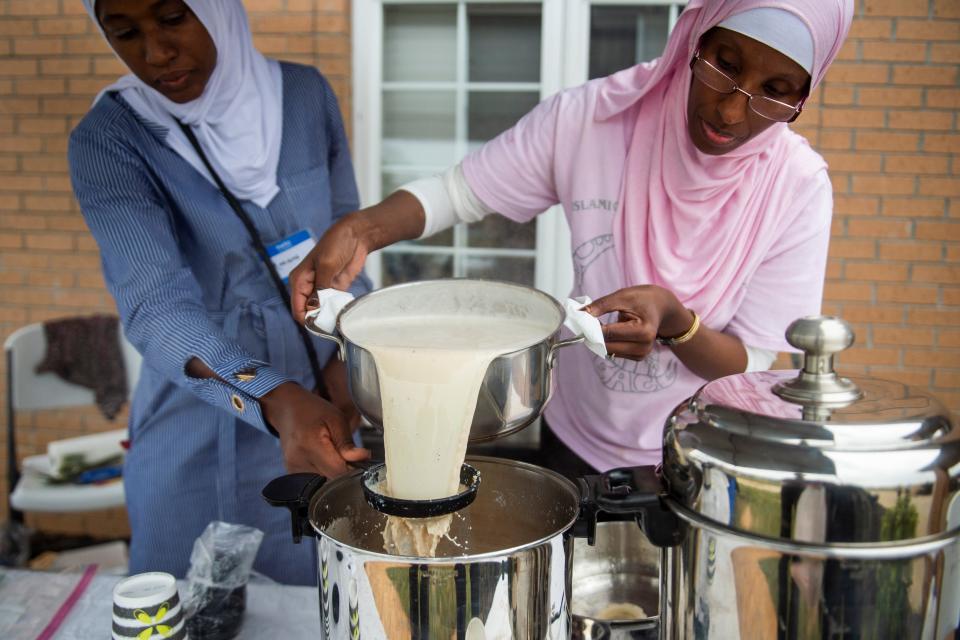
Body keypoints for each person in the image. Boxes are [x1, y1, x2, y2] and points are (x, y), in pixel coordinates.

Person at [290, 0, 854, 477]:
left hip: (702, 455)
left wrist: (678, 324)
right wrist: (360, 228)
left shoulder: (797, 189)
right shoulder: (594, 120)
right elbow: (456, 194)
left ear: (806, 95)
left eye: (775, 92)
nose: (732, 110)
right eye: (722, 66)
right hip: (575, 438)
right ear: (693, 39)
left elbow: (750, 363)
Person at [69, 0, 370, 585]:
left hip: (324, 404)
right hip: (196, 404)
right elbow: (155, 305)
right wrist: (273, 397)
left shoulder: (305, 96)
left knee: (314, 597)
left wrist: (349, 362)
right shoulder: (109, 140)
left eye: (174, 19)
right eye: (125, 33)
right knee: (182, 599)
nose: (155, 54)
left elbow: (347, 237)